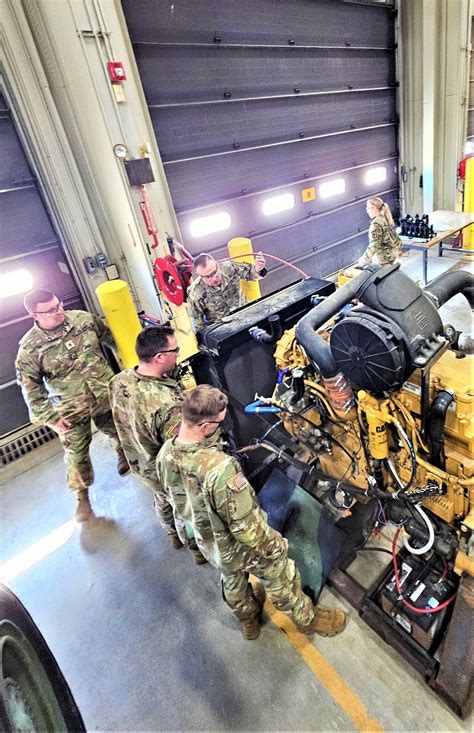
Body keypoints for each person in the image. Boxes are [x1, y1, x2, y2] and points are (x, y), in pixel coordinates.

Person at [157, 385, 346, 641]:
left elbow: (171, 496)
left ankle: (249, 622)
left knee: (232, 579)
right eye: (218, 423)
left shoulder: (166, 452)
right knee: (281, 573)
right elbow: (247, 529)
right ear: (203, 426)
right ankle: (308, 620)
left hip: (208, 542)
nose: (220, 428)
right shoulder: (220, 470)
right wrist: (275, 546)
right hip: (238, 546)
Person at [15, 289, 129, 522]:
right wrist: (51, 419)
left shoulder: (83, 320)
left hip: (104, 393)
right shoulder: (29, 349)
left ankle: (122, 453)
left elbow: (111, 338)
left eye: (59, 305)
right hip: (70, 408)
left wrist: (129, 367)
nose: (60, 312)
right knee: (76, 455)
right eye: (51, 311)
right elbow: (31, 390)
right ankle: (82, 497)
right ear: (34, 315)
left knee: (119, 431)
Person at [109, 325, 206, 564]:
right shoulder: (168, 406)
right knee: (185, 508)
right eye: (176, 350)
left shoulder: (119, 380)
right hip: (163, 470)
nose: (179, 354)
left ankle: (171, 534)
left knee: (161, 498)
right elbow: (182, 448)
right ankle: (195, 550)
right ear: (159, 357)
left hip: (139, 461)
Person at [187, 252, 267, 332]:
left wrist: (257, 269)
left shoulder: (229, 268)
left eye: (215, 272)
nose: (214, 278)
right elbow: (198, 324)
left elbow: (250, 274)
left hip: (246, 315)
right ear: (199, 275)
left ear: (217, 264)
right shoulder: (196, 293)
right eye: (208, 276)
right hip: (223, 331)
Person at [357, 197, 402, 267]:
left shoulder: (376, 224)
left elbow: (374, 245)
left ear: (374, 208)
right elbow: (395, 236)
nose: (367, 211)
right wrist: (398, 249)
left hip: (382, 261)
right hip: (392, 257)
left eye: (368, 208)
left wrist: (364, 260)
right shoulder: (385, 218)